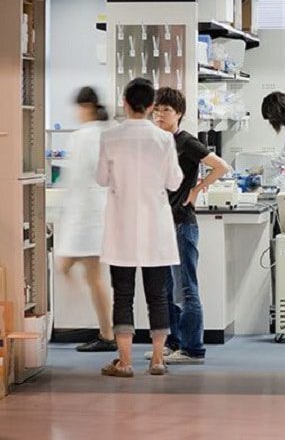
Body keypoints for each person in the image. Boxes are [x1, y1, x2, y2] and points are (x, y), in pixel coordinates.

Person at [96, 78, 183, 377]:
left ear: (125, 102)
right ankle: (158, 360)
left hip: (121, 227)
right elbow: (174, 181)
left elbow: (101, 178)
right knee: (158, 296)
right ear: (150, 107)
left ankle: (126, 362)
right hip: (155, 227)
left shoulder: (110, 137)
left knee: (123, 295)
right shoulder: (164, 139)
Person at [152, 87, 230, 365]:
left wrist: (197, 189)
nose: (160, 115)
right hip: (162, 224)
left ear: (179, 114)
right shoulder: (158, 141)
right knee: (165, 289)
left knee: (186, 288)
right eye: (157, 109)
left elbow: (221, 166)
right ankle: (174, 344)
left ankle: (193, 348)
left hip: (182, 224)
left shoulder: (185, 141)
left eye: (167, 110)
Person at [55, 87, 115, 352]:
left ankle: (99, 329)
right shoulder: (108, 132)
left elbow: (74, 178)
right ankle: (106, 333)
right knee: (94, 277)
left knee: (67, 267)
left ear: (87, 107)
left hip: (85, 217)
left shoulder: (83, 136)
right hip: (98, 214)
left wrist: (62, 208)